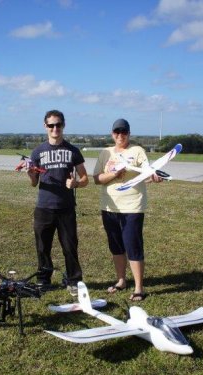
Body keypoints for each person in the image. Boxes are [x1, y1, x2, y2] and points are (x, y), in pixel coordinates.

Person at [92, 118, 163, 301]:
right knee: (115, 246)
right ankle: (121, 280)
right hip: (109, 206)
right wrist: (114, 174)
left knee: (133, 245)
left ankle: (139, 287)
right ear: (112, 134)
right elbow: (97, 178)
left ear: (129, 134)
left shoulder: (137, 151)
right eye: (117, 132)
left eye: (124, 132)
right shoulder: (105, 153)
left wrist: (153, 175)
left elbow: (147, 170)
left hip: (132, 206)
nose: (120, 135)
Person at [22, 109, 88, 296]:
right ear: (45, 127)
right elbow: (34, 183)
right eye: (51, 125)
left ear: (63, 125)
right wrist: (30, 174)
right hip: (44, 207)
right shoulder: (37, 152)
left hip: (66, 208)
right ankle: (44, 280)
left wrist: (76, 183)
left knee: (70, 246)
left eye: (58, 124)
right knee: (43, 246)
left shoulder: (73, 151)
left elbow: (85, 179)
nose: (55, 128)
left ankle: (74, 280)